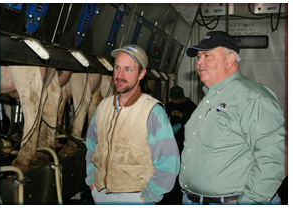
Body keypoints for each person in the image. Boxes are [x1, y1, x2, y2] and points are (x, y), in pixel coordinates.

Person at [179, 30, 285, 205]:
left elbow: (272, 160)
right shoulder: (209, 98)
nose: (199, 62)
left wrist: (248, 202)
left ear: (229, 60)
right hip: (192, 200)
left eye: (207, 56)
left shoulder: (253, 97)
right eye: (198, 57)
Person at [85, 44, 180, 205]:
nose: (120, 75)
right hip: (101, 194)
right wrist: (92, 181)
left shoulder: (152, 111)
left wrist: (147, 197)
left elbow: (169, 162)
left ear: (141, 73)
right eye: (117, 68)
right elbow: (91, 148)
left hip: (135, 197)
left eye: (128, 69)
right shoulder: (103, 107)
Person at [165, 85, 197, 153]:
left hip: (185, 138)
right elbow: (164, 113)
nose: (173, 101)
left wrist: (180, 125)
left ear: (181, 97)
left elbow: (193, 122)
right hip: (173, 138)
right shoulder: (171, 105)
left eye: (175, 99)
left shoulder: (191, 107)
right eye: (172, 99)